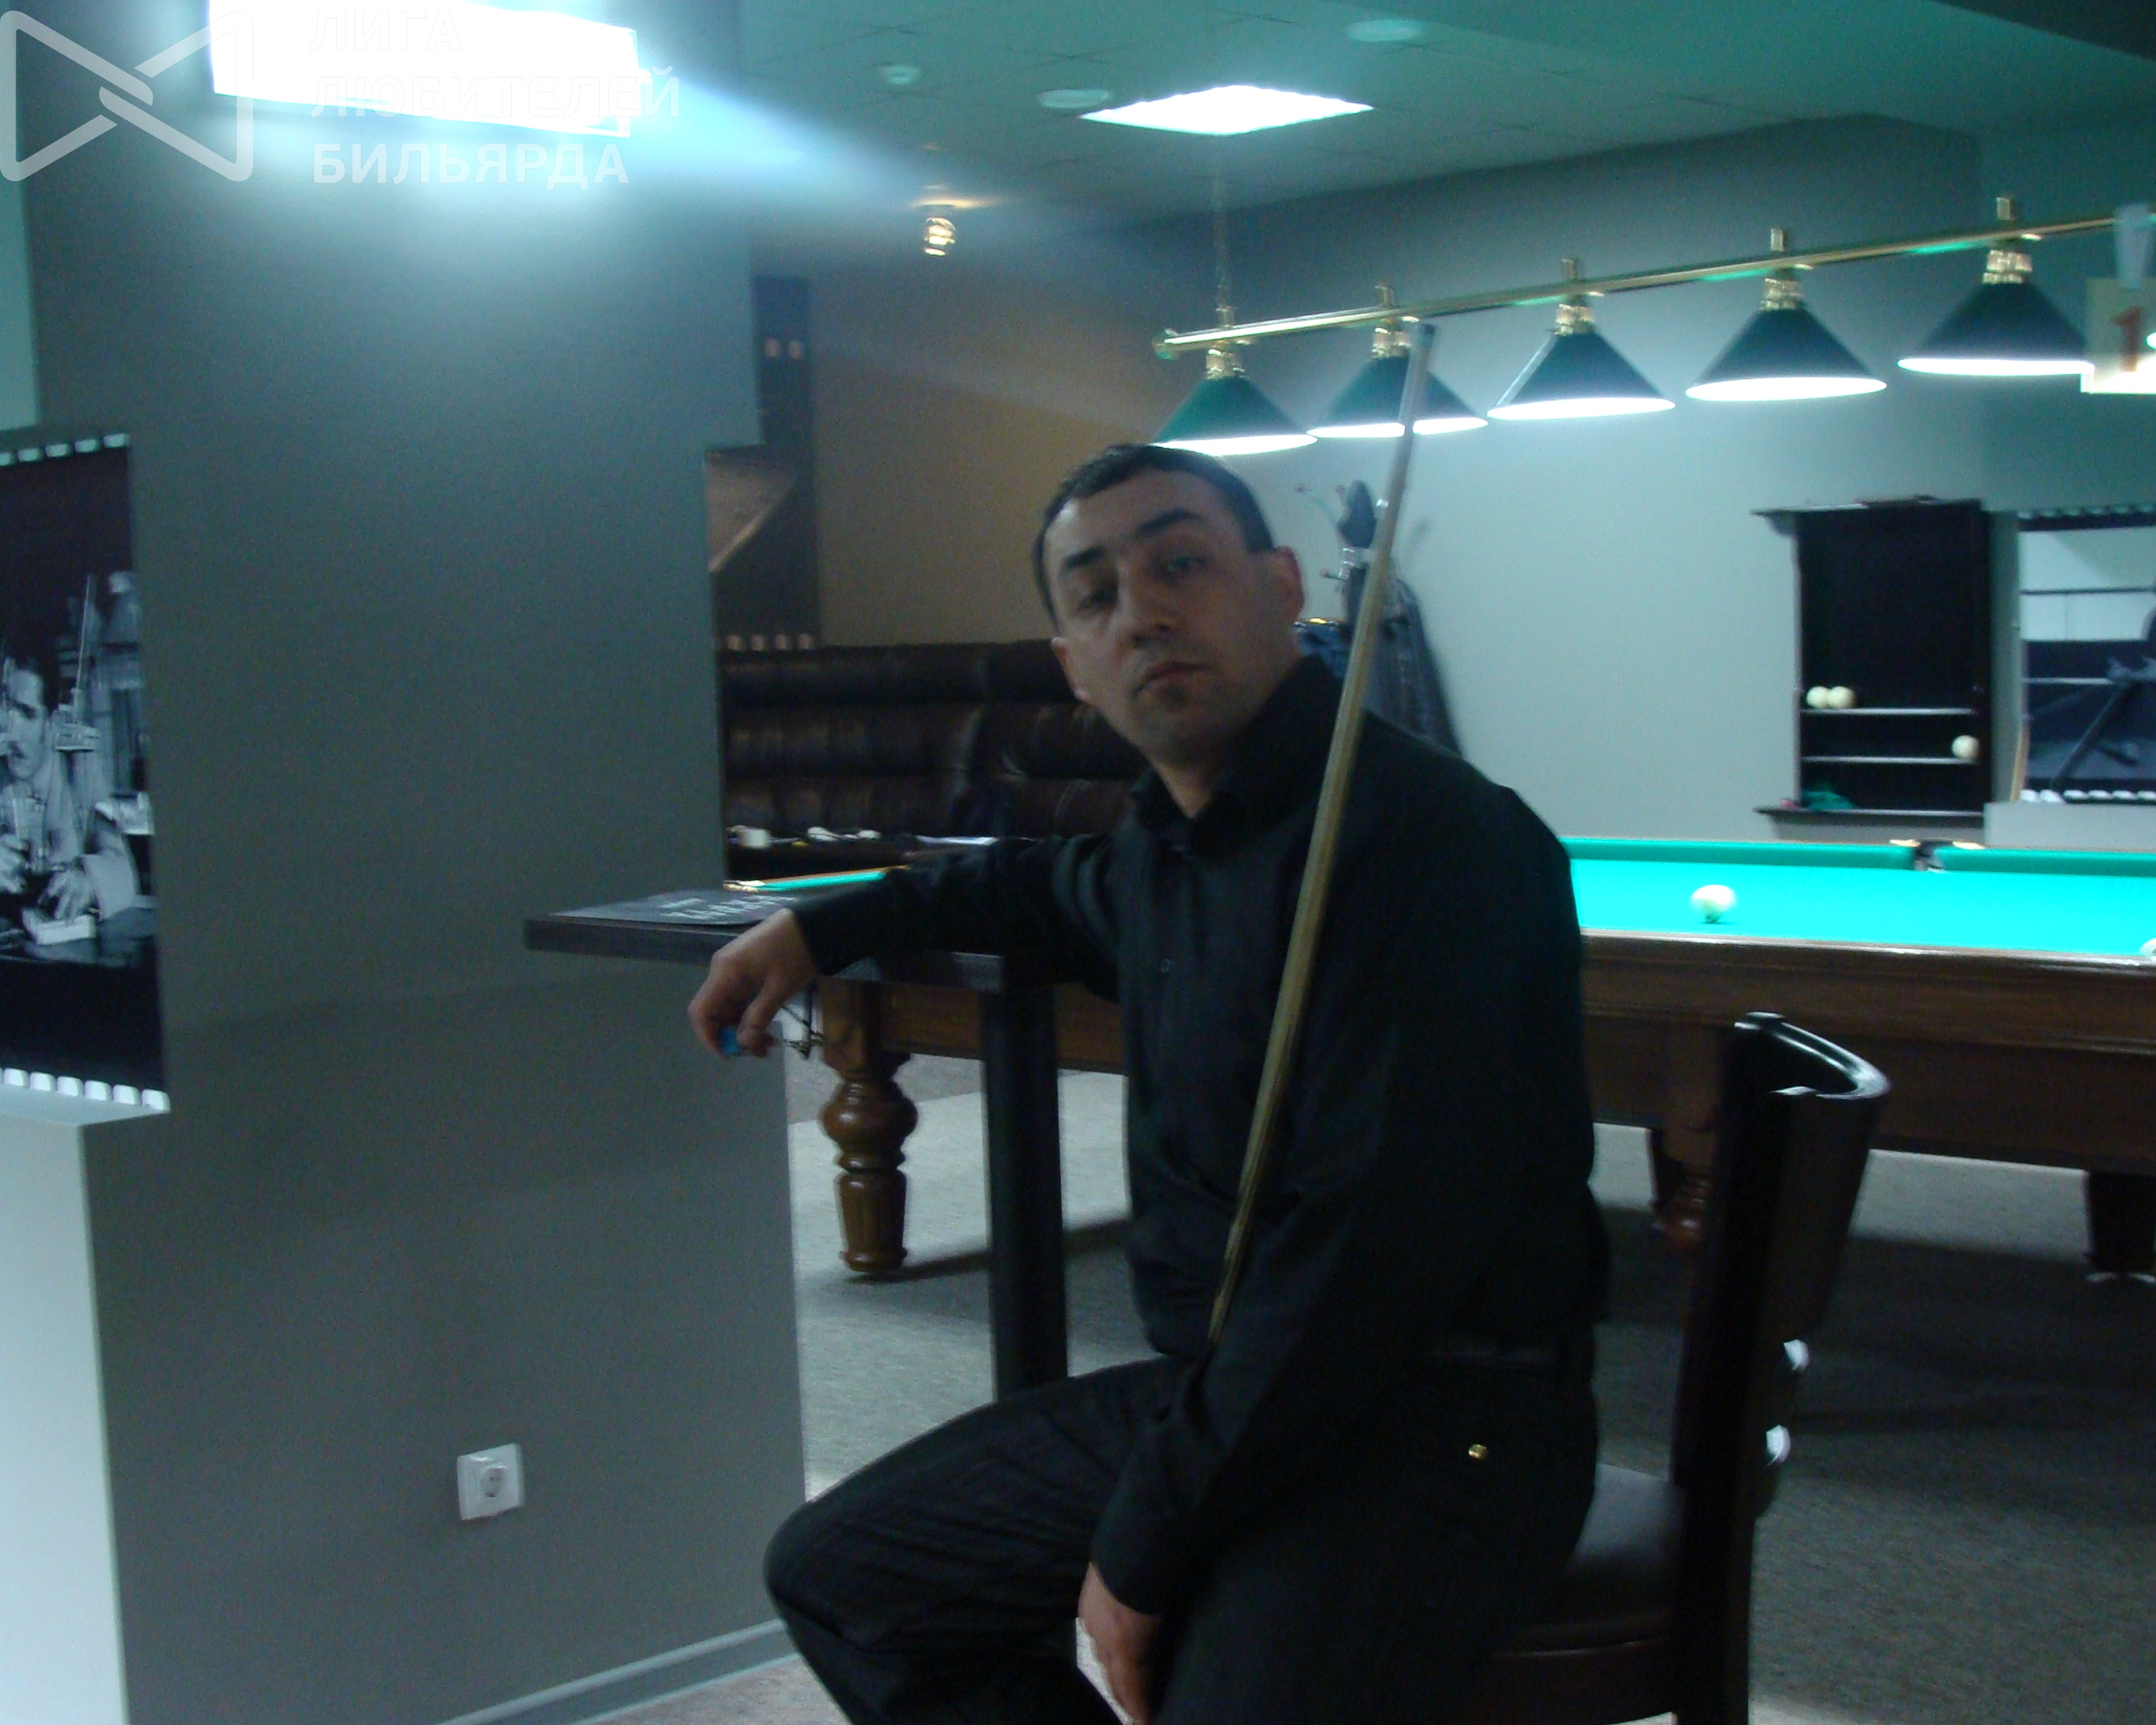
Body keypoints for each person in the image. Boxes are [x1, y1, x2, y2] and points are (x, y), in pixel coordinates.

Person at [688, 443, 1606, 1725]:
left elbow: (1363, 1263)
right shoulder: (1159, 848)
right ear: (1073, 660)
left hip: (1440, 1421)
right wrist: (818, 926)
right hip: (1234, 1392)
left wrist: (1145, 1539)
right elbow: (1017, 883)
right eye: (1096, 593)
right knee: (848, 1579)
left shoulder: (1432, 841)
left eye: (1181, 563)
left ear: (1280, 585)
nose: (1144, 612)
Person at [0, 661, 137, 924]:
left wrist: (89, 881)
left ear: (51, 724)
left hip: (69, 937)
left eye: (27, 714)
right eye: (8, 709)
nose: (12, 734)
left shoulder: (80, 765)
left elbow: (123, 871)